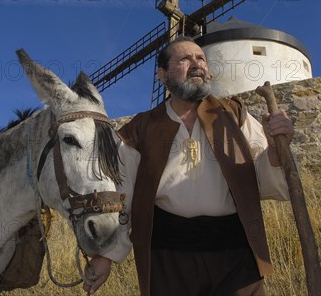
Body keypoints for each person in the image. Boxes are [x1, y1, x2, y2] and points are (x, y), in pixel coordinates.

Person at [84, 36, 294, 296]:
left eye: (201, 59)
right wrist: (106, 255)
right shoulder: (140, 128)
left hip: (235, 255)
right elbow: (122, 196)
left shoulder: (232, 114)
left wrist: (275, 149)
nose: (197, 64)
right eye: (185, 59)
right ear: (162, 74)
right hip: (168, 258)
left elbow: (260, 180)